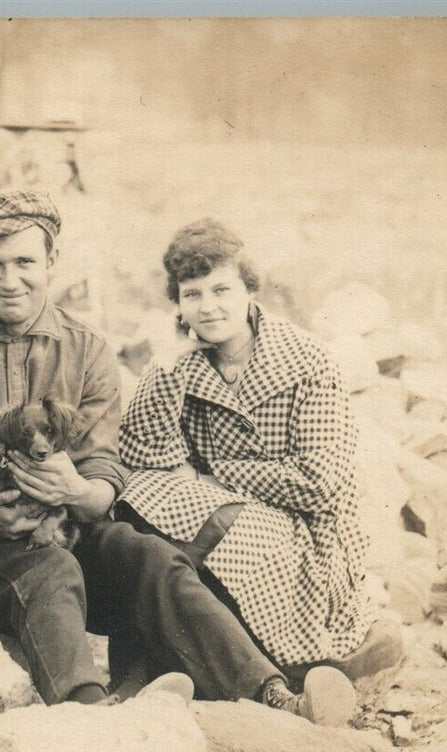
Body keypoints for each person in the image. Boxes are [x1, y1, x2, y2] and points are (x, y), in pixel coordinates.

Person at [0, 191, 353, 722]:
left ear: (51, 262)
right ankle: (94, 720)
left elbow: (102, 477)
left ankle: (273, 699)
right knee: (49, 569)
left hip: (60, 521)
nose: (10, 281)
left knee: (151, 556)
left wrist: (77, 493)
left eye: (25, 262)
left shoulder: (87, 347)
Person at [118, 218, 382, 710]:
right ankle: (258, 692)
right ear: (177, 302)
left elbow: (320, 484)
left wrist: (212, 472)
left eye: (222, 289)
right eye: (192, 294)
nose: (209, 306)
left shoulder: (306, 360)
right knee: (138, 512)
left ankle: (143, 678)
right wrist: (168, 363)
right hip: (208, 518)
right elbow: (142, 458)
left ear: (248, 289)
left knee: (163, 546)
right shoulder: (187, 361)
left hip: (309, 535)